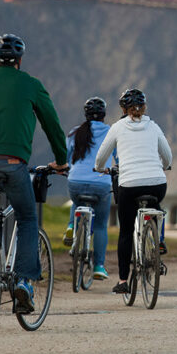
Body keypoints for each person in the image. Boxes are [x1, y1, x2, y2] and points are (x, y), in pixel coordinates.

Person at [0, 33, 68, 314]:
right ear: (19, 61)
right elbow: (52, 125)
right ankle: (23, 281)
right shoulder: (31, 85)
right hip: (13, 162)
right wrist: (61, 160)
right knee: (26, 217)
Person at [94, 88, 172, 295]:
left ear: (123, 109)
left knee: (126, 231)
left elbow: (102, 156)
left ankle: (123, 280)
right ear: (144, 107)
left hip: (129, 185)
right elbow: (167, 155)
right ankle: (158, 240)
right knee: (156, 207)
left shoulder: (118, 127)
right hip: (157, 183)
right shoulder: (153, 126)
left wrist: (100, 168)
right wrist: (165, 165)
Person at [62, 96, 113, 281]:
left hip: (75, 181)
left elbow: (66, 157)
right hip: (101, 184)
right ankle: (99, 265)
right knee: (100, 225)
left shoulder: (75, 132)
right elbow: (118, 157)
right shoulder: (111, 132)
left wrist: (67, 168)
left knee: (77, 199)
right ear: (104, 115)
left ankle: (71, 226)